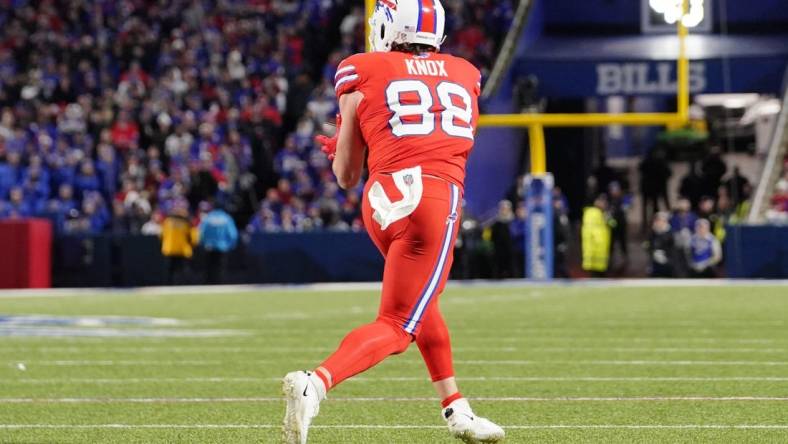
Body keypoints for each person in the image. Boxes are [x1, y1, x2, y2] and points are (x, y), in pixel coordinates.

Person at [281, 2, 505, 443]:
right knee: (400, 323)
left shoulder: (360, 69)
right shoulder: (466, 72)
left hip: (382, 199)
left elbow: (346, 175)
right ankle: (317, 382)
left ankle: (456, 407)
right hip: (433, 199)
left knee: (424, 303)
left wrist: (353, 131)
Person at [198, 200, 239, 285]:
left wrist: (202, 244)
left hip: (209, 247)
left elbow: (202, 232)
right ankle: (220, 285)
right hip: (222, 247)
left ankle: (209, 285)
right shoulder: (227, 218)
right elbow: (233, 234)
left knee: (209, 268)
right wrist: (230, 245)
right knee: (221, 268)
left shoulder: (208, 218)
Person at [160, 201, 197, 285]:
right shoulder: (187, 222)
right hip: (182, 250)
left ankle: (169, 287)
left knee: (170, 271)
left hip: (169, 249)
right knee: (182, 272)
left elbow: (161, 235)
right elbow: (193, 237)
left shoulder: (167, 221)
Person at [581, 194, 613, 278]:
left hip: (602, 247)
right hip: (595, 248)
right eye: (602, 202)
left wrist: (609, 218)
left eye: (605, 202)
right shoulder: (592, 212)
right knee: (595, 272)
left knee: (601, 271)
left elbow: (614, 224)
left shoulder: (604, 213)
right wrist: (597, 241)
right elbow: (590, 231)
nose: (604, 204)